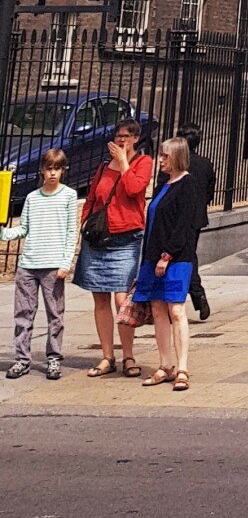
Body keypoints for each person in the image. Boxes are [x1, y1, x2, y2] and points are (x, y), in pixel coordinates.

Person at [74, 116, 153, 378]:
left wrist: (123, 162)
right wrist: (84, 224)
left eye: (126, 136)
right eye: (118, 135)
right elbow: (93, 197)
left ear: (135, 139)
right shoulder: (103, 166)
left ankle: (128, 355)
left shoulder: (143, 162)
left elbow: (133, 188)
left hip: (126, 238)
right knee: (99, 297)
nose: (121, 140)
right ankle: (107, 356)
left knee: (122, 299)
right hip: (99, 239)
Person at [134, 135, 205, 391]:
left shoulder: (187, 184)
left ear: (176, 156)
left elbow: (183, 224)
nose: (160, 160)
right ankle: (165, 364)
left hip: (176, 258)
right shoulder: (164, 183)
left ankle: (182, 366)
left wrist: (167, 255)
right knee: (157, 310)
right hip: (153, 256)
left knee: (176, 310)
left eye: (165, 155)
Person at [7, 147, 77, 381]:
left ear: (63, 170)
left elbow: (70, 232)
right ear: (42, 171)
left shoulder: (68, 195)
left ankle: (54, 356)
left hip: (53, 265)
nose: (53, 174)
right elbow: (24, 228)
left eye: (57, 169)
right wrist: (5, 234)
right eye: (49, 169)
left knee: (55, 314)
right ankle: (21, 358)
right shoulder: (32, 198)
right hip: (29, 264)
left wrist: (66, 262)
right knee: (23, 313)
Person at [170, 122, 216, 321]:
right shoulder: (204, 163)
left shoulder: (175, 164)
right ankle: (194, 295)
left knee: (182, 258)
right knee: (187, 256)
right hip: (195, 218)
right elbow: (209, 193)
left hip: (175, 218)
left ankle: (195, 293)